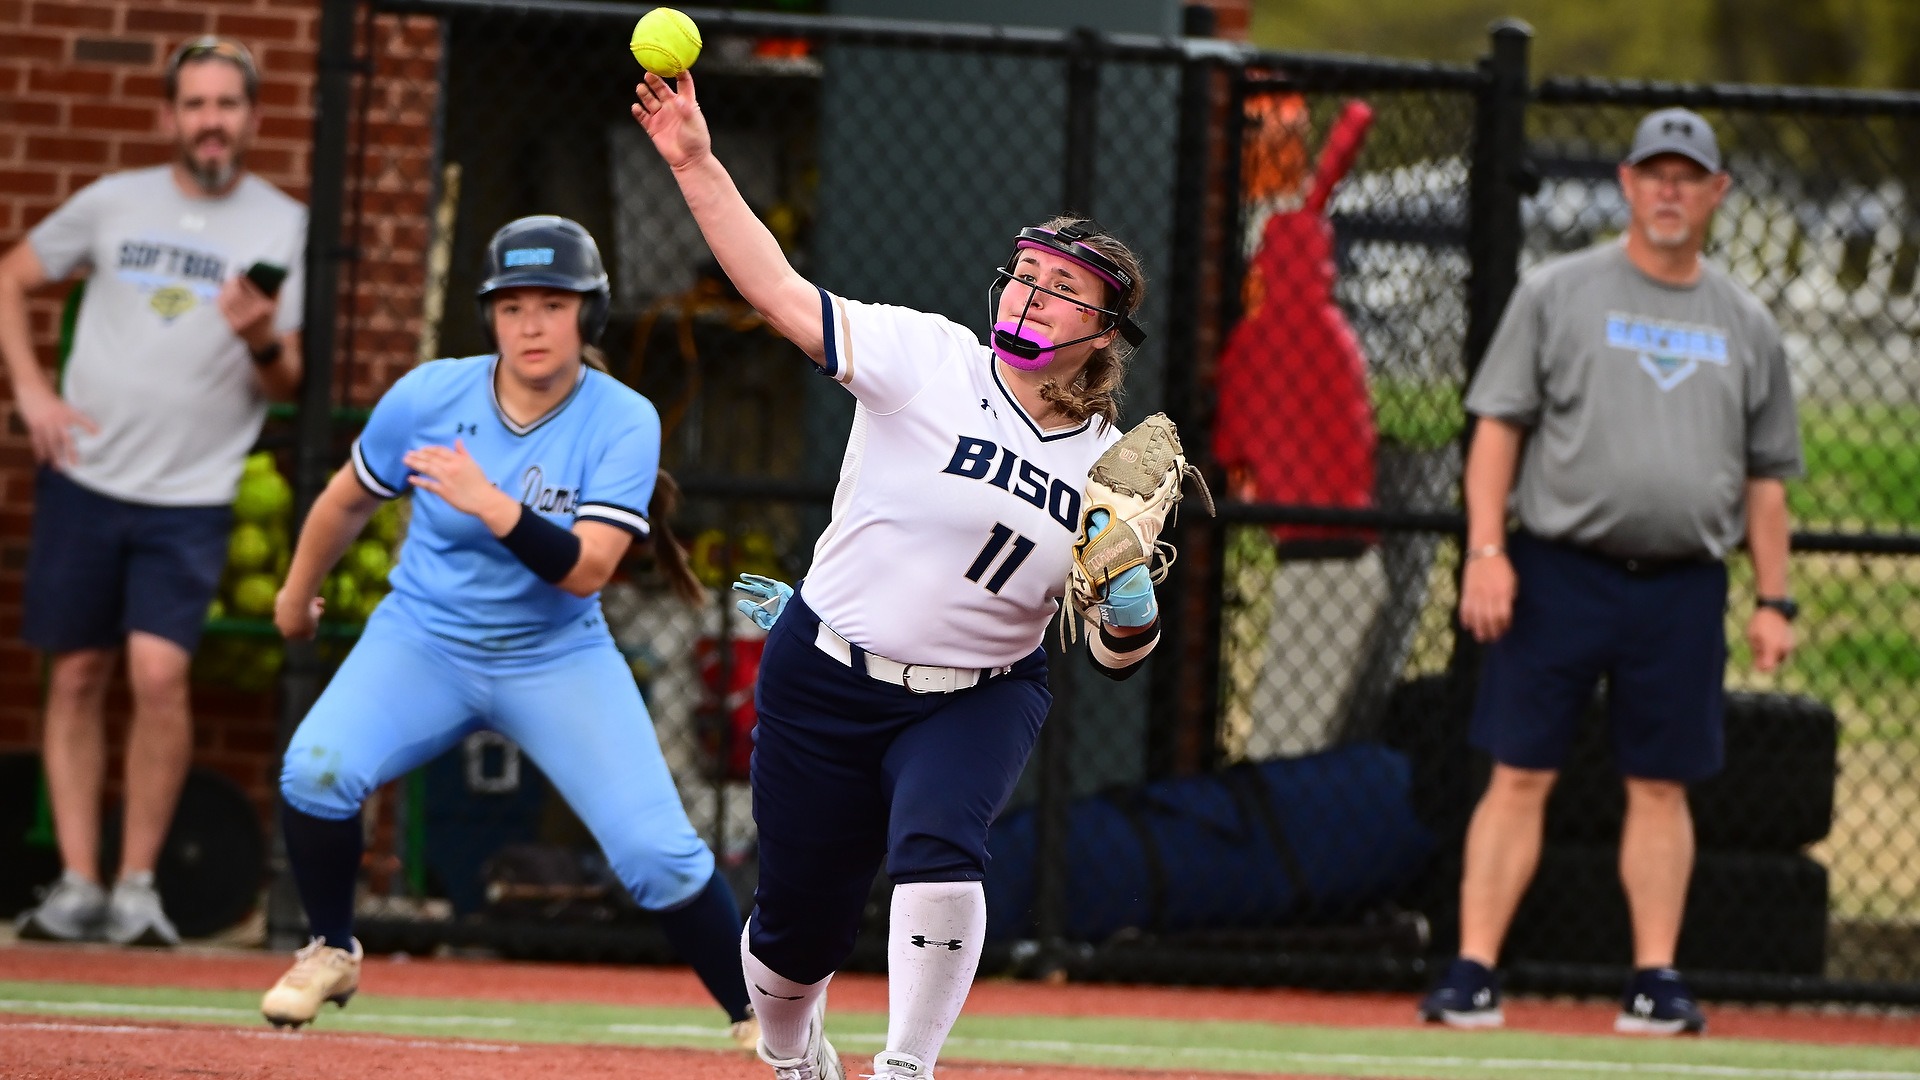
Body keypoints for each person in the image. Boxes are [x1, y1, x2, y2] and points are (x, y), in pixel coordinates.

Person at [632, 72, 1164, 1080]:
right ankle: (794, 1054)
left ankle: (907, 1068)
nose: (1029, 293)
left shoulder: (1113, 468)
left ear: (1105, 331)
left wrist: (1129, 602)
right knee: (795, 938)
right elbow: (779, 292)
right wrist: (696, 164)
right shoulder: (928, 357)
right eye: (1023, 273)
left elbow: (1114, 649)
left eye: (1062, 288)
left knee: (937, 843)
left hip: (979, 694)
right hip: (825, 675)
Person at [257, 215, 757, 1051]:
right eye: (512, 305)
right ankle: (331, 948)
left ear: (587, 316)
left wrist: (488, 501)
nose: (531, 324)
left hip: (555, 654)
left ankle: (758, 1015)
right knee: (316, 770)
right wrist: (295, 590)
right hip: (424, 639)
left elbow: (587, 569)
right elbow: (348, 496)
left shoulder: (622, 419)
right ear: (488, 316)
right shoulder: (428, 395)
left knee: (657, 855)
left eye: (553, 304)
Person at [1417, 108, 1802, 1035]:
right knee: (1518, 772)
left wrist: (1775, 599)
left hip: (1682, 586)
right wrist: (1487, 551)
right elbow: (1497, 431)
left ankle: (1655, 982)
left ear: (1718, 193)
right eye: (1655, 173)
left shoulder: (1747, 325)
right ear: (1627, 184)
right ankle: (1472, 972)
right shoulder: (1559, 291)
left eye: (1689, 175)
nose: (1670, 191)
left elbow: (1767, 480)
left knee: (1662, 783)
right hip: (1556, 572)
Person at [0, 36, 306, 947]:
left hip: (194, 492)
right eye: (197, 104)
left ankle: (138, 887)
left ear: (252, 117)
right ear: (170, 116)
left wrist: (257, 336)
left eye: (228, 104)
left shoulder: (283, 225)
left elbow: (286, 380)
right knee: (80, 674)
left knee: (160, 675)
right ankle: (78, 885)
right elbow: (11, 277)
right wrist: (32, 393)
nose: (212, 121)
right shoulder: (111, 202)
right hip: (86, 480)